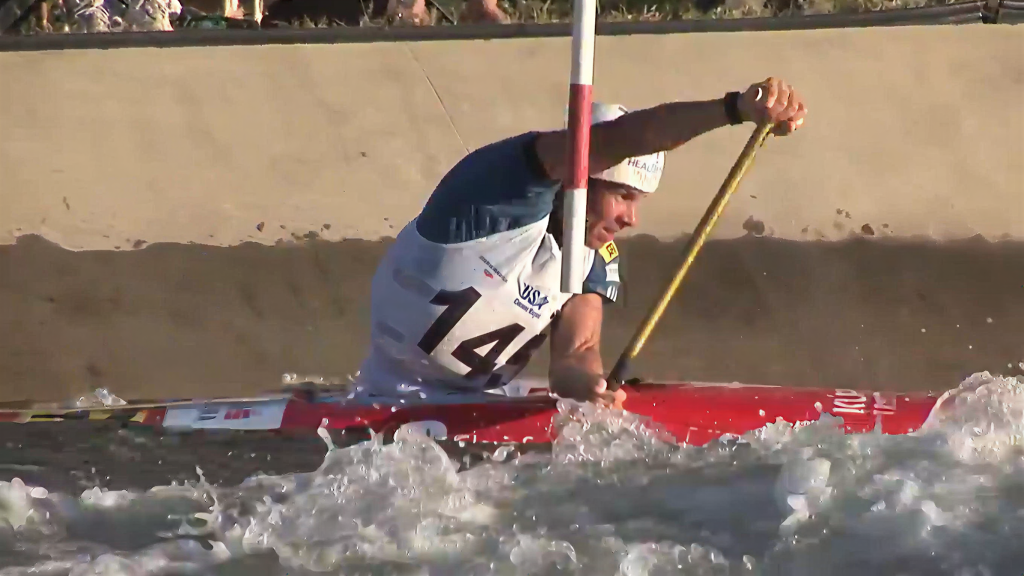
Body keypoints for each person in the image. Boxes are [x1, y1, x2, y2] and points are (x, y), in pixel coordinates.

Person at [353, 77, 807, 409]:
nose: (631, 219)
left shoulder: (592, 254)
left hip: (475, 406)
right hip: (384, 397)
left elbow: (576, 354)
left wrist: (588, 388)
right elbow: (618, 141)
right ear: (580, 180)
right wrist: (733, 109)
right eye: (624, 196)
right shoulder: (493, 192)